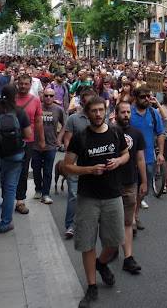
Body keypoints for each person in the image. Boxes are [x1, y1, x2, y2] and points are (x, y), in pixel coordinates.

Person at [62, 96, 130, 308]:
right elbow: (66, 166)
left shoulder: (116, 132)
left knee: (113, 242)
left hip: (112, 195)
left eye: (101, 110)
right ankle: (91, 286)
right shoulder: (80, 137)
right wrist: (89, 170)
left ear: (105, 110)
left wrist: (118, 161)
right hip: (88, 197)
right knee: (87, 243)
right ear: (87, 113)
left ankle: (101, 264)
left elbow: (125, 154)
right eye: (94, 111)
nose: (98, 114)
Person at [0, 85, 32, 234]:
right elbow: (28, 135)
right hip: (16, 156)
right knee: (10, 190)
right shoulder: (20, 113)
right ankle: (5, 223)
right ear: (14, 96)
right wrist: (16, 137)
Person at [114, 100, 147, 275]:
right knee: (111, 221)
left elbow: (140, 159)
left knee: (127, 221)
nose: (126, 115)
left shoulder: (137, 133)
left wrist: (144, 181)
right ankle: (110, 249)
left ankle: (128, 257)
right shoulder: (109, 131)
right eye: (123, 112)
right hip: (111, 184)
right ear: (116, 113)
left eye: (128, 112)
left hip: (129, 182)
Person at [62, 89, 97, 239]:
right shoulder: (73, 119)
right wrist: (70, 157)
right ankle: (70, 225)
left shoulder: (99, 117)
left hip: (94, 162)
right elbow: (67, 139)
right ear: (82, 102)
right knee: (74, 195)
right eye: (87, 102)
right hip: (76, 162)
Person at [129, 86, 165, 213]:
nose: (146, 99)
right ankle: (130, 218)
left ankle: (135, 214)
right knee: (130, 191)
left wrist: (160, 153)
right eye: (142, 97)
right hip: (129, 159)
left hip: (148, 159)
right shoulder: (128, 113)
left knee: (144, 189)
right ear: (136, 98)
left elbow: (160, 133)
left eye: (148, 97)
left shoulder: (154, 113)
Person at [15, 74, 46, 215]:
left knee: (23, 171)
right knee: (7, 170)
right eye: (21, 83)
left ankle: (20, 200)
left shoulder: (35, 100)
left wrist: (41, 140)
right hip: (10, 141)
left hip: (28, 141)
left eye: (26, 84)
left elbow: (39, 121)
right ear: (17, 83)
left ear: (30, 84)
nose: (23, 86)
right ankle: (8, 197)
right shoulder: (10, 99)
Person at [32, 87, 66, 204]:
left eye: (51, 96)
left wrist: (59, 138)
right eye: (46, 95)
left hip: (51, 145)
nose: (48, 98)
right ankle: (38, 189)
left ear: (54, 97)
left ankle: (45, 193)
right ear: (42, 96)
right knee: (36, 169)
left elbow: (65, 125)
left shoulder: (58, 109)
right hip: (35, 145)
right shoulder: (37, 106)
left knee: (47, 170)